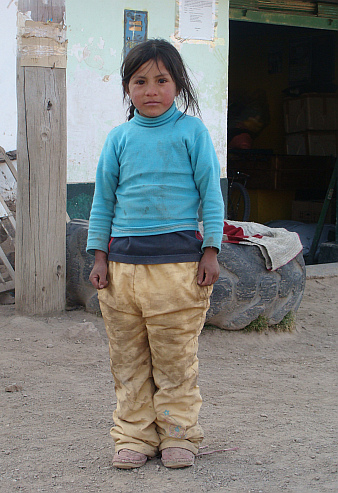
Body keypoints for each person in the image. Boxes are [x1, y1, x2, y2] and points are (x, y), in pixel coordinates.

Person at [87, 38, 224, 470]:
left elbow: (211, 196)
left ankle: (179, 436)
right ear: (127, 87)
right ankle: (133, 437)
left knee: (175, 361)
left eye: (161, 80)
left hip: (178, 271)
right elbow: (102, 201)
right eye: (140, 80)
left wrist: (212, 250)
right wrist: (98, 256)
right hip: (122, 271)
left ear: (178, 84)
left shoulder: (192, 132)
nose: (151, 90)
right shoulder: (119, 138)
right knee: (127, 361)